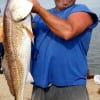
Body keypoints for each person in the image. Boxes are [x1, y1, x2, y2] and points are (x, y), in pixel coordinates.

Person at [30, 0, 98, 100]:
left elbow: (68, 31)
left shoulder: (82, 11)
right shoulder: (38, 18)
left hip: (71, 86)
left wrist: (39, 9)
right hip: (39, 85)